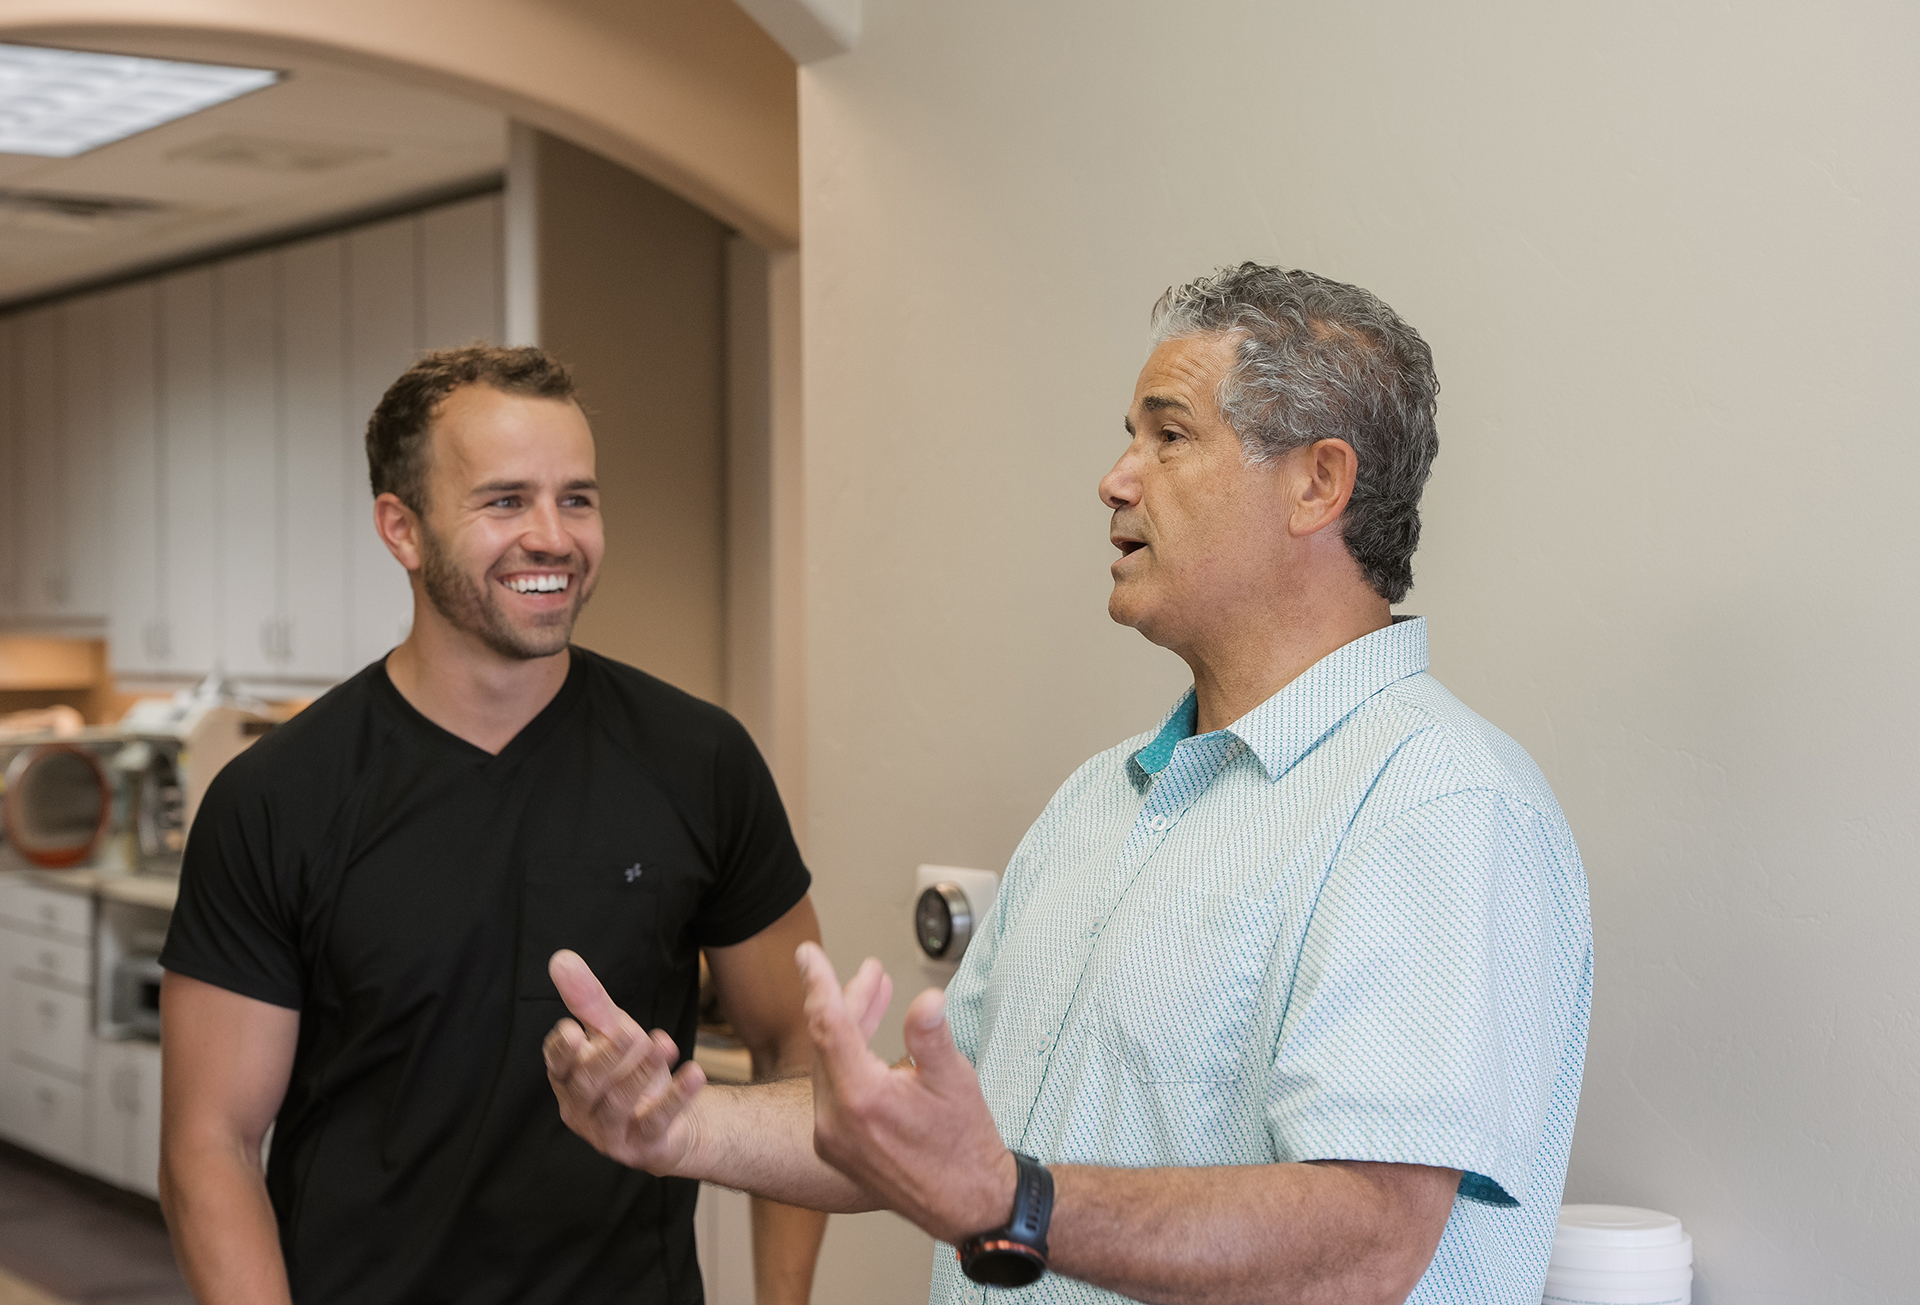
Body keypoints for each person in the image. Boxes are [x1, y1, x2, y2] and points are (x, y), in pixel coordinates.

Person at [545, 266, 1594, 1305]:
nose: (1116, 478)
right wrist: (682, 1128)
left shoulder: (1440, 805)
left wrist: (1016, 1201)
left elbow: (1365, 1242)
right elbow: (939, 1137)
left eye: (1168, 435)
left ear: (1318, 483)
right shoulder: (1105, 797)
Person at [158, 345, 827, 1305]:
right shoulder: (278, 797)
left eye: (578, 498)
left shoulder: (700, 760)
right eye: (505, 501)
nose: (552, 536)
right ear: (403, 528)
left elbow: (799, 1053)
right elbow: (209, 1142)